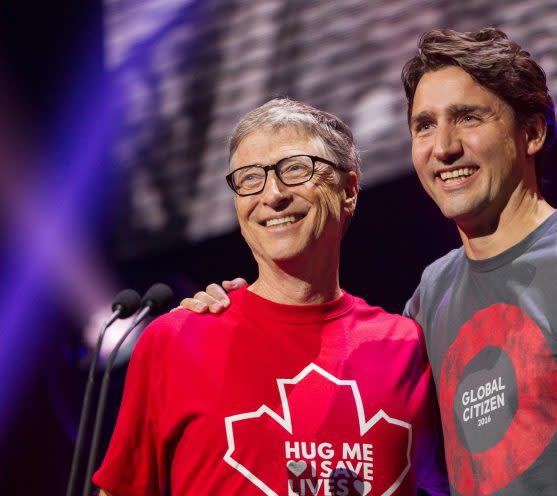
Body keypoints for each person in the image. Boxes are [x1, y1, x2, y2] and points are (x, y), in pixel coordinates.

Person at [182, 27, 557, 495]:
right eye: (424, 125)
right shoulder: (430, 295)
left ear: (532, 131)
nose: (442, 147)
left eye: (468, 118)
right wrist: (235, 310)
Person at [92, 98, 449, 495]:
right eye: (249, 178)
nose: (272, 194)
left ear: (348, 191)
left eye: (295, 169)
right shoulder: (177, 341)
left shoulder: (407, 346)